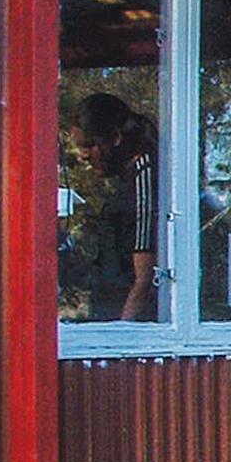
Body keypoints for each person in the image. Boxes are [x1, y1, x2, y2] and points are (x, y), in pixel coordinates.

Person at [67, 93, 160, 322]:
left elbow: (145, 277)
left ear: (115, 137)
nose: (84, 156)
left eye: (89, 145)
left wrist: (121, 331)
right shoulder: (127, 180)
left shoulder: (144, 177)